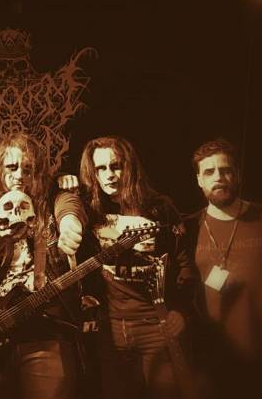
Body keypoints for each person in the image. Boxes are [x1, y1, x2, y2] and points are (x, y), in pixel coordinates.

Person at [0, 133, 86, 399]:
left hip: (45, 331)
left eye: (27, 169)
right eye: (12, 167)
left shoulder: (49, 199)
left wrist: (69, 223)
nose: (19, 175)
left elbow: (69, 205)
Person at [76, 136, 196, 399]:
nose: (109, 175)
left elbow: (185, 264)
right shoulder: (91, 211)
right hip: (112, 329)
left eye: (116, 166)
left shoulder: (160, 208)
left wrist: (182, 311)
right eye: (100, 168)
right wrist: (61, 184)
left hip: (156, 324)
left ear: (129, 166)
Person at [185, 138, 262, 399]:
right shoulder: (187, 229)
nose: (218, 177)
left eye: (225, 170)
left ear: (237, 175)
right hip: (214, 359)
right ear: (199, 180)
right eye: (209, 172)